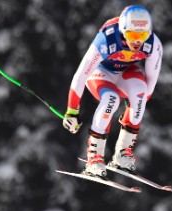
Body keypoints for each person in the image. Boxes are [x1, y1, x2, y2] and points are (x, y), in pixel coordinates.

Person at [62, 5, 163, 178]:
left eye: (143, 35)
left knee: (140, 95)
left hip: (125, 72)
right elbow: (80, 75)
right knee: (111, 99)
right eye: (133, 35)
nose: (138, 41)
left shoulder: (153, 44)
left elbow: (151, 82)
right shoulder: (107, 39)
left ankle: (123, 154)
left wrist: (134, 108)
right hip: (100, 72)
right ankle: (94, 158)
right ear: (124, 30)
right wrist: (72, 110)